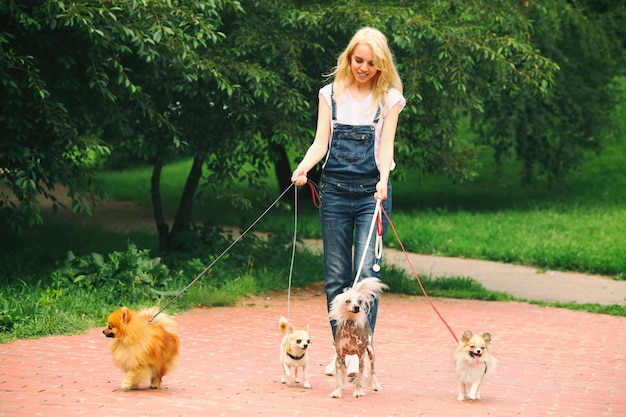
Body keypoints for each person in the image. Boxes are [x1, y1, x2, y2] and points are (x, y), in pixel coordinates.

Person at [291, 27, 406, 376]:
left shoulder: (390, 99)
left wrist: (384, 181)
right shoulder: (330, 94)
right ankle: (343, 351)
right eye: (358, 60)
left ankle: (361, 347)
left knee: (366, 276)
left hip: (373, 193)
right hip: (336, 192)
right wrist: (303, 167)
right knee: (336, 278)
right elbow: (320, 142)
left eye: (371, 63)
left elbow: (386, 147)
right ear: (349, 59)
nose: (363, 68)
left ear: (381, 64)